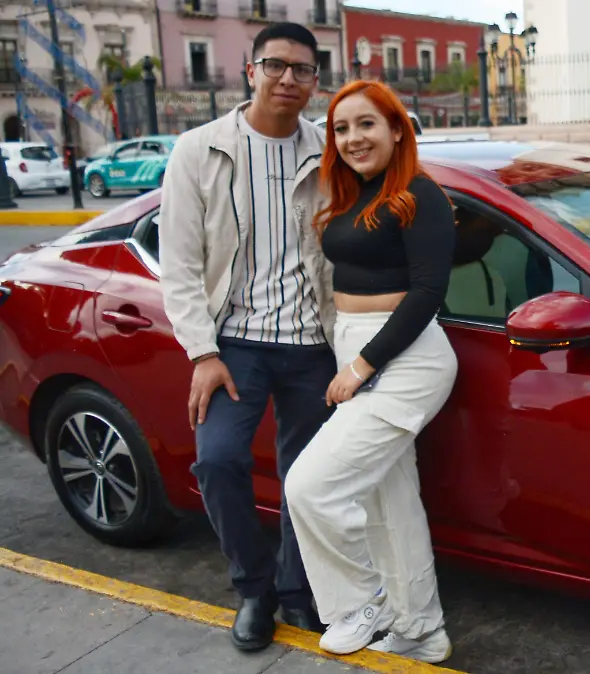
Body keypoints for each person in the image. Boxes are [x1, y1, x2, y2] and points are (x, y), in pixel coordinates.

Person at [158, 22, 335, 651]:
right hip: (234, 344)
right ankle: (254, 589)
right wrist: (202, 353)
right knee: (219, 459)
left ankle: (297, 591)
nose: (289, 79)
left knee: (305, 477)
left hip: (315, 343)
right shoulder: (199, 150)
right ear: (249, 70)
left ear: (316, 81)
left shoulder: (328, 150)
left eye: (303, 70)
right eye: (276, 65)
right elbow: (178, 264)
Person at [283, 80, 459, 663]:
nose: (353, 138)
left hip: (404, 357)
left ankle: (360, 604)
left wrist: (361, 366)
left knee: (309, 487)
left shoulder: (420, 193)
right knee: (391, 506)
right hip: (357, 348)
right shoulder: (352, 192)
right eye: (341, 128)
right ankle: (420, 630)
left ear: (396, 129)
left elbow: (428, 292)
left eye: (366, 125)